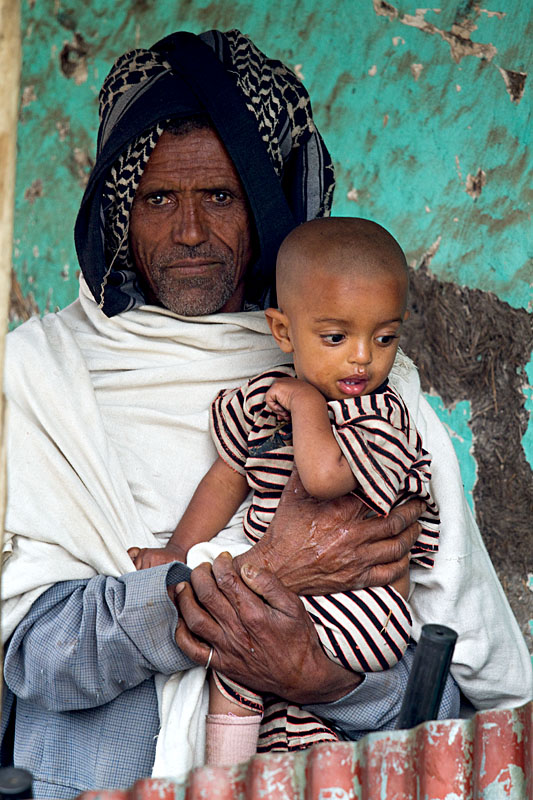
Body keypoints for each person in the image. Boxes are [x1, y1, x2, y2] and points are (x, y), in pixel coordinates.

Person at [1, 28, 530, 799]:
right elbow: (35, 656)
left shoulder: (367, 385)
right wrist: (261, 572)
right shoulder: (41, 374)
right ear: (120, 210)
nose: (187, 232)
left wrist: (324, 680)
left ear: (270, 198)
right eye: (156, 199)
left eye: (220, 195)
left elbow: (445, 676)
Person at [128, 216, 441, 765]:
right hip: (286, 595)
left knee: (245, 656)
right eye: (336, 337)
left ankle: (236, 770)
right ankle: (241, 769)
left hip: (358, 608)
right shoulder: (261, 399)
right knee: (246, 664)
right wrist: (178, 551)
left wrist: (306, 404)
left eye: (384, 337)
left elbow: (322, 479)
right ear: (283, 332)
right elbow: (226, 477)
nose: (363, 357)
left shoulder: (380, 417)